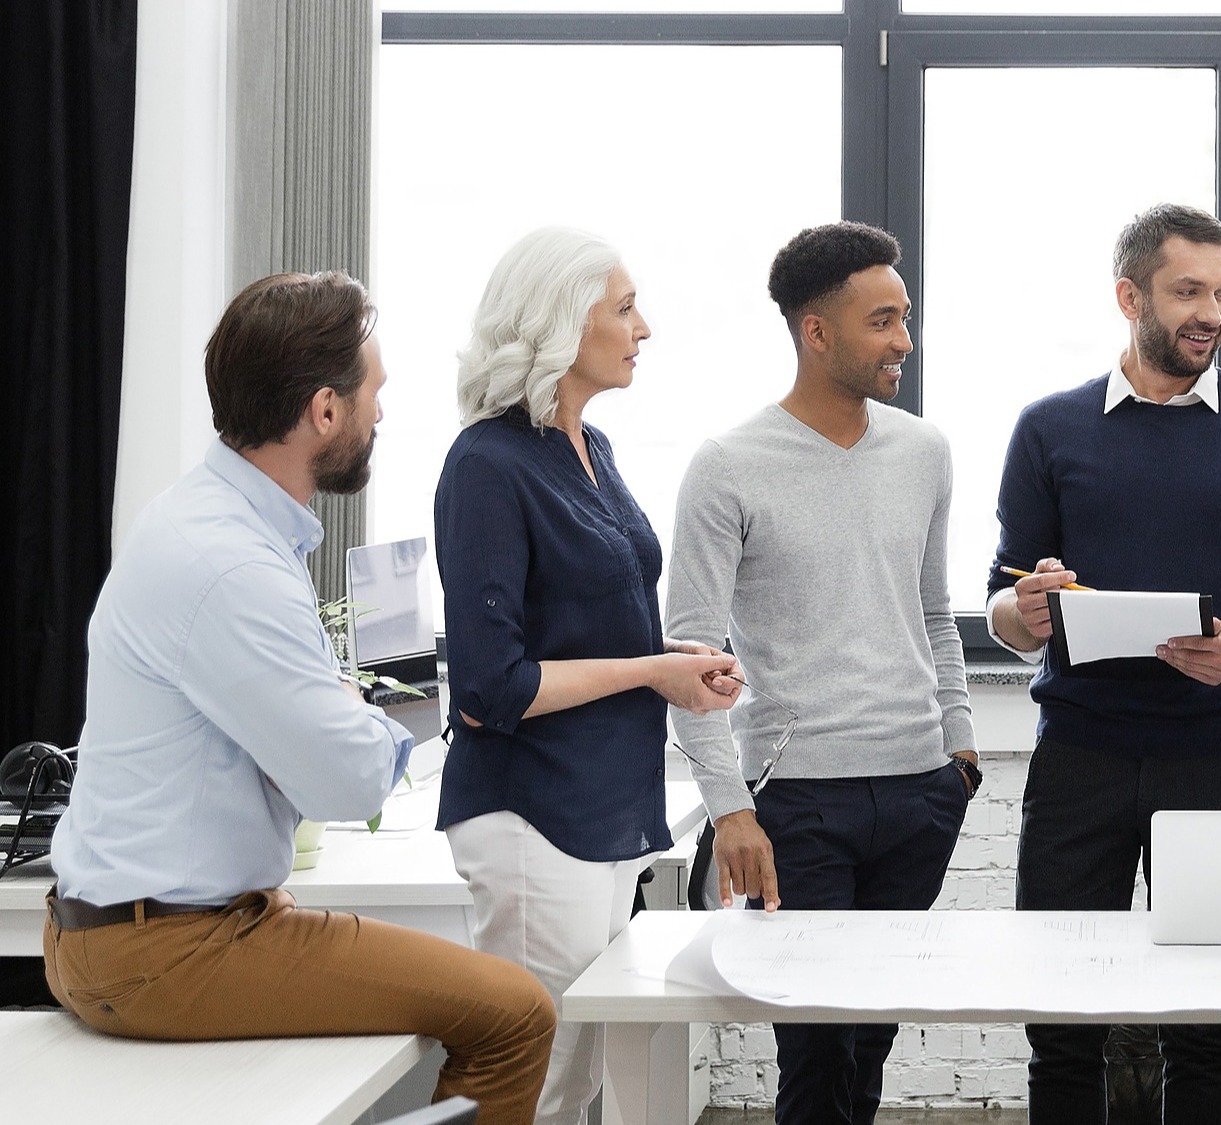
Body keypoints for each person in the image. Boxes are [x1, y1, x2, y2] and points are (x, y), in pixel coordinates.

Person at [44, 271, 557, 1125]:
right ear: (324, 411)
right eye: (374, 392)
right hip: (164, 948)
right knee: (517, 1013)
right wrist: (385, 714)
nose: (382, 412)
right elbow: (349, 787)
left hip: (127, 928)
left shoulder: (202, 519)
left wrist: (339, 707)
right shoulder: (236, 566)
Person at [987, 203, 1221, 1123]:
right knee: (1061, 1014)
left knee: (1204, 1020)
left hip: (1216, 751)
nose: (1210, 313)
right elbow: (1004, 602)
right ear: (1129, 296)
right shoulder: (1048, 428)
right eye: (1188, 290)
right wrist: (1025, 610)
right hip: (1080, 754)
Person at [665, 220, 977, 1125]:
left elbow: (932, 610)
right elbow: (690, 650)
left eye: (906, 317)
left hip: (920, 791)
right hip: (796, 803)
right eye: (882, 321)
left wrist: (958, 749)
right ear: (817, 331)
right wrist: (729, 807)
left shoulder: (925, 451)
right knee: (813, 1048)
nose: (904, 342)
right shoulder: (727, 466)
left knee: (869, 1039)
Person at [435, 228, 741, 1125]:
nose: (642, 327)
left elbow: (591, 617)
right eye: (623, 307)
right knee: (538, 1076)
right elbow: (494, 688)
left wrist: (670, 665)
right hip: (535, 810)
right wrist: (652, 670)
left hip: (605, 801)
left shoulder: (591, 448)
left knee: (579, 1075)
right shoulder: (487, 464)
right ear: (558, 325)